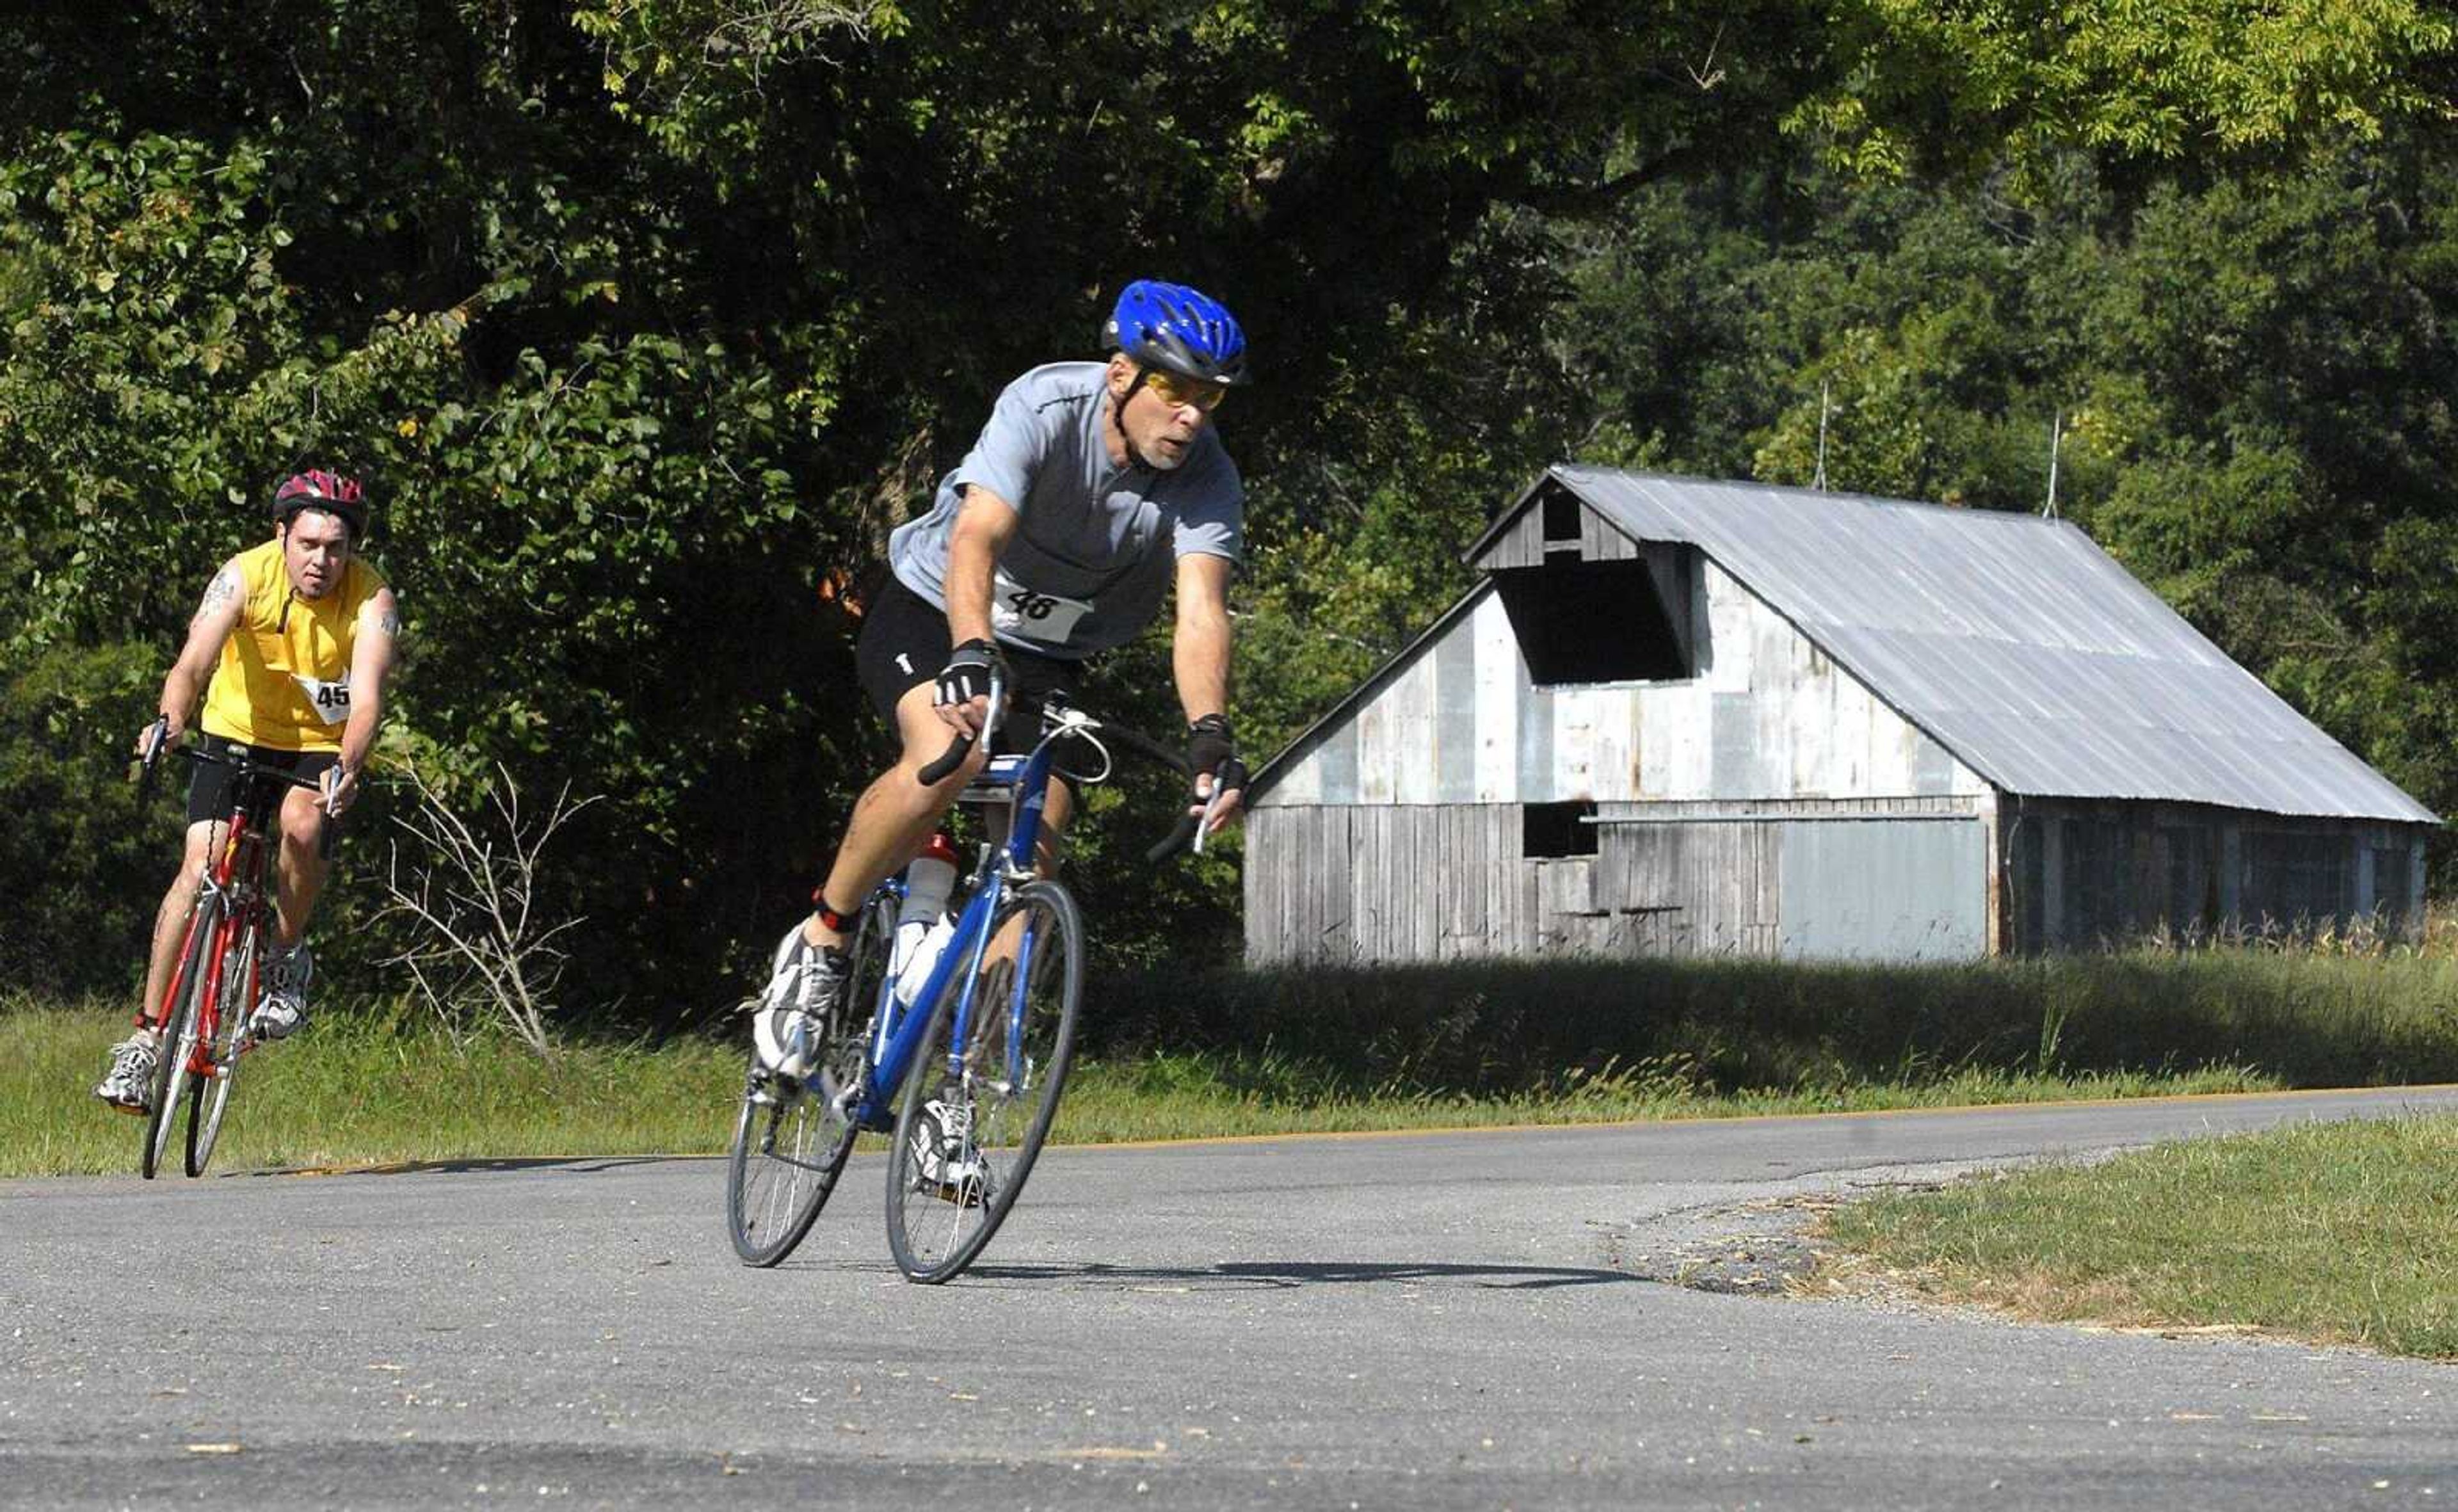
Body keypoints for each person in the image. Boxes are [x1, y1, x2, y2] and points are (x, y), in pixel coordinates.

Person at [753, 278, 1254, 1080]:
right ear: (1123, 374)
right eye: (1175, 388)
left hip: (1048, 655)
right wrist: (973, 646)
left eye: (1211, 398)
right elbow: (978, 537)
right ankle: (824, 938)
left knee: (1036, 846)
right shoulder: (1048, 406)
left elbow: (1201, 610)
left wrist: (1209, 734)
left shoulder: (1207, 477)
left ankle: (962, 1086)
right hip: (936, 610)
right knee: (950, 752)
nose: (1192, 415)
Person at [93, 470, 401, 1112]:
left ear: (352, 550)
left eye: (336, 548)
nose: (321, 560)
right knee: (198, 866)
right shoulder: (243, 575)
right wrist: (170, 722)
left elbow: (368, 700)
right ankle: (145, 1042)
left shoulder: (372, 600)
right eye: (309, 543)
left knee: (303, 825)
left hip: (319, 743)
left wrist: (348, 766)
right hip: (235, 733)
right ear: (281, 534)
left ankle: (285, 958)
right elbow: (193, 662)